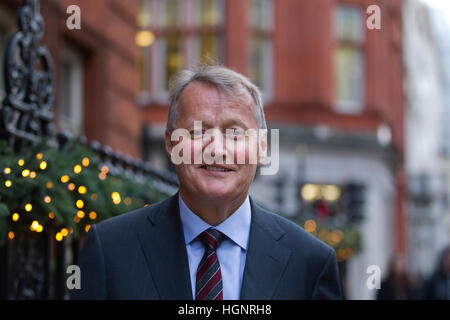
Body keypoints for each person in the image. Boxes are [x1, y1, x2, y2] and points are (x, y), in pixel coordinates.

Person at [71, 65, 342, 300]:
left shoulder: (310, 263)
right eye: (198, 131)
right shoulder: (111, 250)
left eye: (235, 133)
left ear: (261, 148)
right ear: (171, 143)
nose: (216, 149)